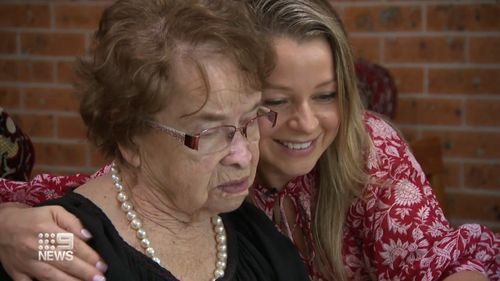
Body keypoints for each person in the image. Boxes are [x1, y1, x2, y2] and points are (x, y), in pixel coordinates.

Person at [1, 0, 499, 280]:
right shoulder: (81, 235)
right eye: (274, 105)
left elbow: (446, 262)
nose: (242, 154)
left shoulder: (360, 153)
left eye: (247, 122)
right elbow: (68, 218)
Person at [0, 0, 312, 281]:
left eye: (250, 120)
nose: (242, 156)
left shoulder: (257, 236)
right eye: (211, 133)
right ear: (130, 138)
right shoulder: (59, 247)